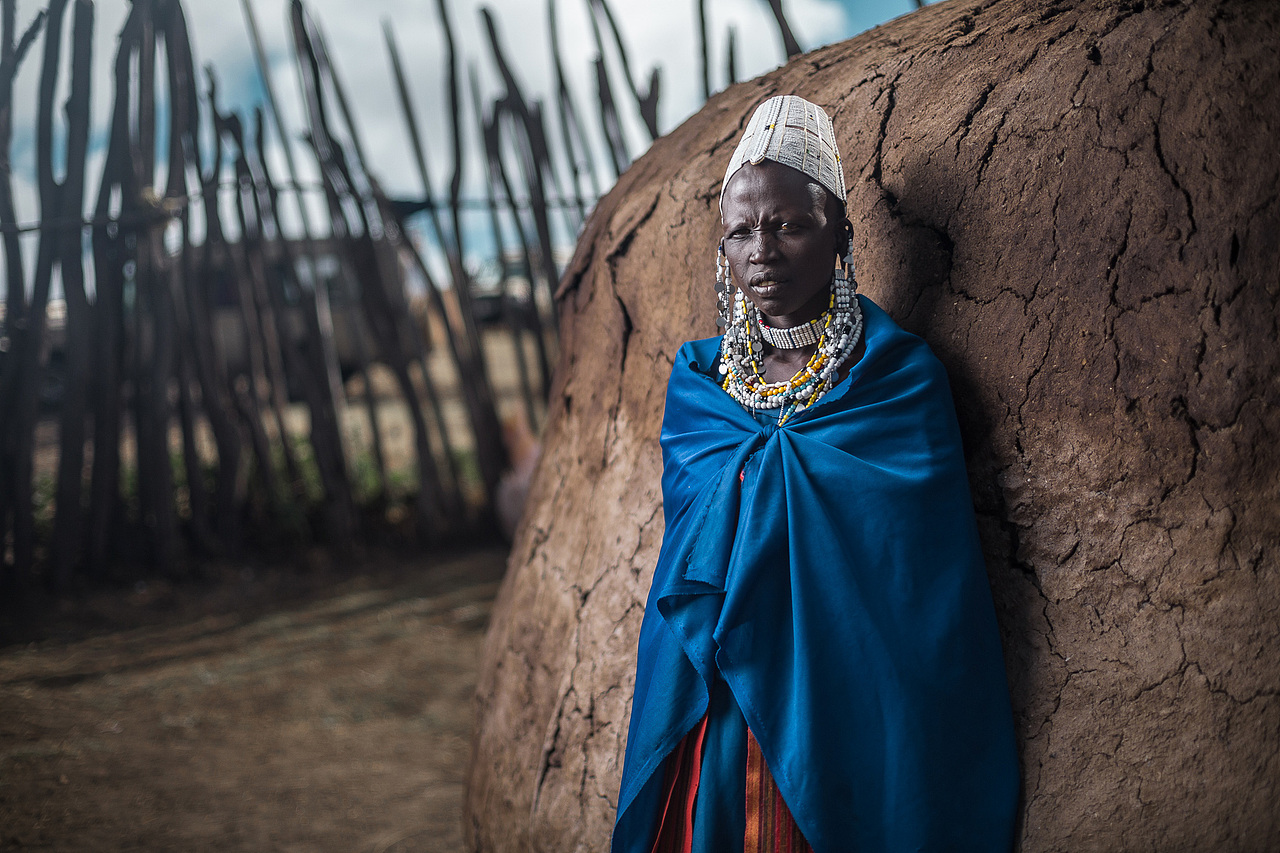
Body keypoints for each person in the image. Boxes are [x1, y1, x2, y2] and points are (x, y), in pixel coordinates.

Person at [611, 95, 1020, 853]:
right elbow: (692, 549)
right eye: (740, 231)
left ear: (840, 234)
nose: (761, 250)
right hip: (722, 688)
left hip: (844, 694)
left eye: (788, 224)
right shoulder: (701, 385)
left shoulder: (896, 379)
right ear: (723, 251)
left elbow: (917, 583)